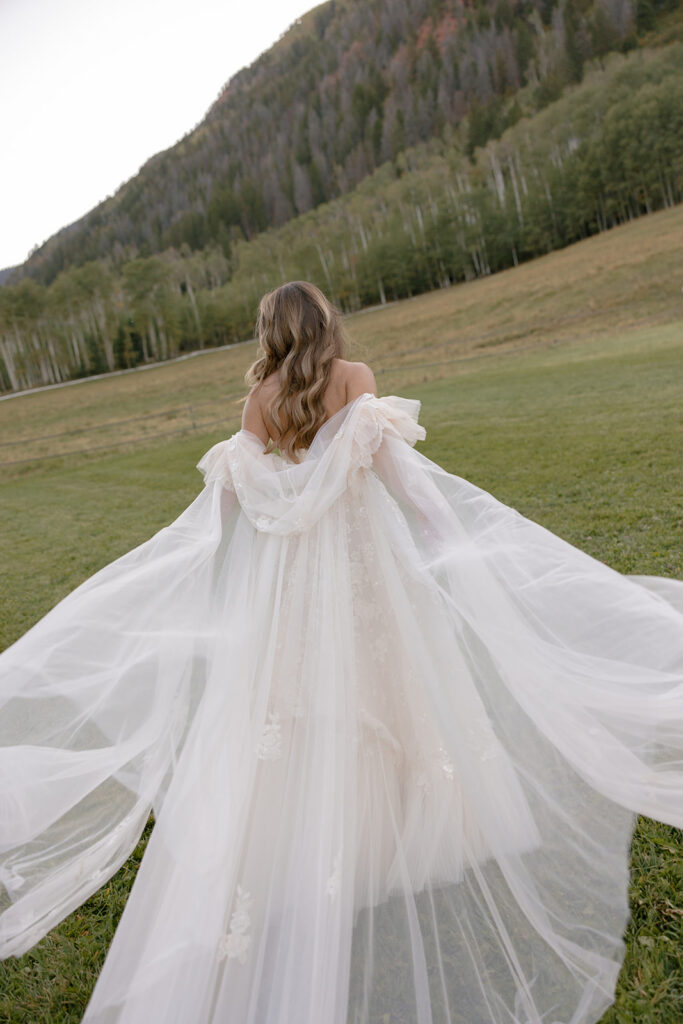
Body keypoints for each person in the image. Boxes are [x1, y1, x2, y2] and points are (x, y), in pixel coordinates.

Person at [0, 279, 681, 1024]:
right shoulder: (354, 379)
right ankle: (387, 842)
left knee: (305, 707)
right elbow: (401, 480)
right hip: (366, 570)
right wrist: (452, 539)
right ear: (325, 323)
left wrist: (181, 561)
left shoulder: (259, 400)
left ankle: (324, 848)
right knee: (388, 692)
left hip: (290, 585)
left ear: (270, 333)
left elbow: (227, 506)